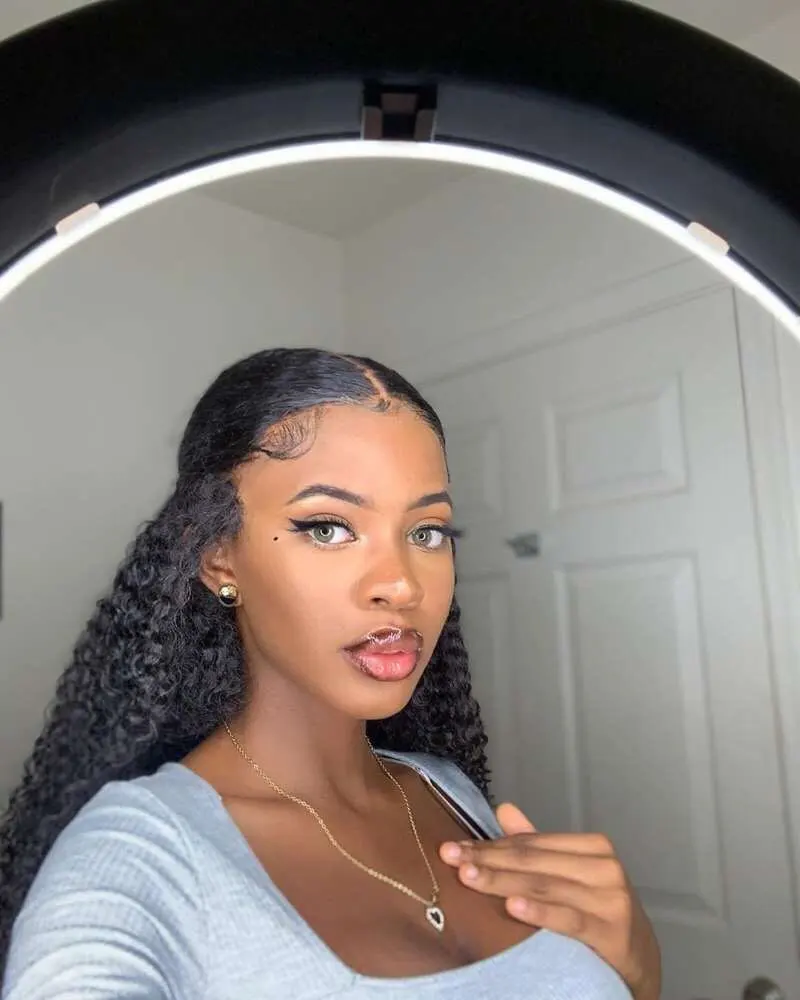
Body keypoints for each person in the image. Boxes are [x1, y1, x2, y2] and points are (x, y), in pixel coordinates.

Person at [0, 347, 661, 999]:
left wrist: (637, 970)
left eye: (427, 532)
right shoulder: (135, 861)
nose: (401, 584)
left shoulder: (448, 791)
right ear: (218, 557)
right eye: (327, 528)